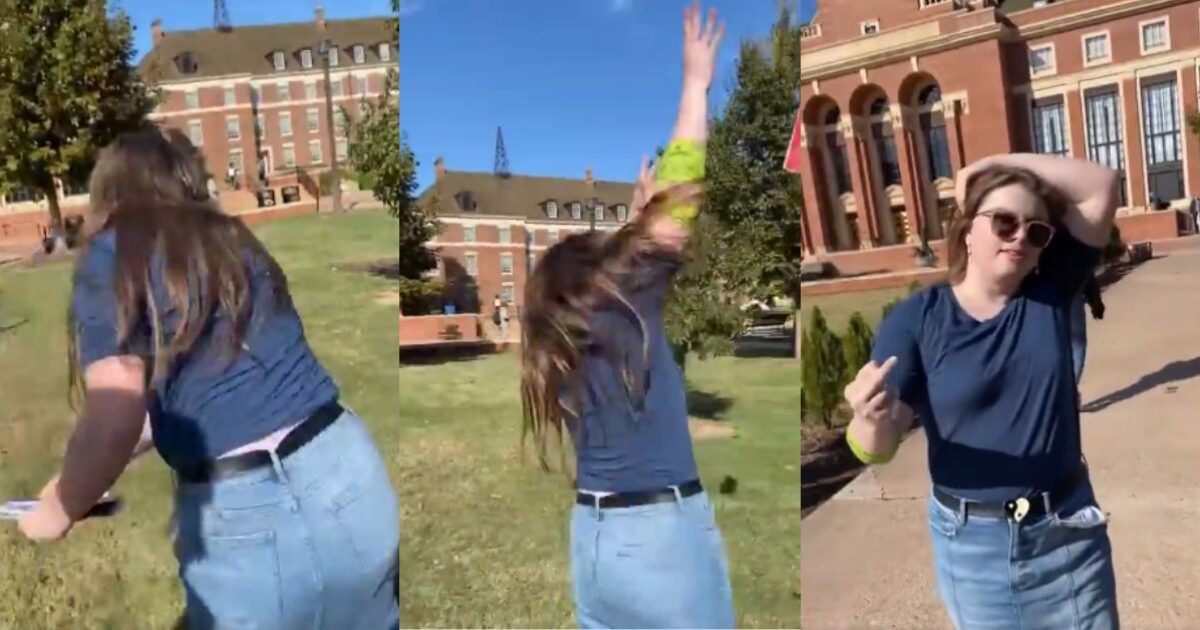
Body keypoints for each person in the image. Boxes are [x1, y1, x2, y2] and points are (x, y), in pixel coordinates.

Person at [18, 127, 399, 629]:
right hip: (349, 472)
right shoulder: (232, 240)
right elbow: (198, 399)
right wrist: (75, 481)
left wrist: (58, 510)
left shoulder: (113, 253)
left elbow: (115, 410)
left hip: (245, 511)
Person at [519, 5, 730, 628]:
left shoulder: (552, 343)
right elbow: (686, 180)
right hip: (662, 540)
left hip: (593, 537)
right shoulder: (626, 300)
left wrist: (637, 224)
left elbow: (618, 267)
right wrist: (695, 84)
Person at [843, 154, 1120, 628]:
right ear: (968, 231)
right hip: (976, 548)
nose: (1019, 238)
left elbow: (1101, 184)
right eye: (1004, 222)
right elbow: (879, 448)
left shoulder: (1049, 292)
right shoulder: (918, 319)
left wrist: (989, 165)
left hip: (1070, 532)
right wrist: (868, 420)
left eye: (1035, 231)